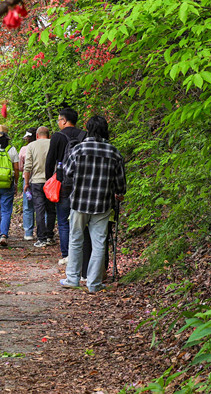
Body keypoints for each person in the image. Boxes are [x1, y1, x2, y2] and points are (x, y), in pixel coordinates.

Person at [60, 116, 126, 293]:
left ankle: (72, 278)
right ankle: (94, 283)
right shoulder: (114, 152)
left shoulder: (79, 149)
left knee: (76, 239)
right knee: (99, 243)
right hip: (102, 203)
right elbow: (120, 185)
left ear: (88, 129)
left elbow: (67, 172)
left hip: (79, 201)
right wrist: (118, 193)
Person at [45, 107, 87, 266]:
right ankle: (81, 254)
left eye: (58, 120)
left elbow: (50, 160)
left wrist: (49, 180)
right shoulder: (84, 135)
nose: (58, 123)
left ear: (63, 121)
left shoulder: (57, 136)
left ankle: (67, 255)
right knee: (81, 220)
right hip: (82, 183)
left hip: (63, 182)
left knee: (63, 221)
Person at [23, 126, 56, 247]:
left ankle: (41, 238)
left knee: (39, 210)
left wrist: (27, 183)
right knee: (51, 209)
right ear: (49, 135)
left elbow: (27, 166)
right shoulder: (53, 144)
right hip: (51, 181)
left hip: (36, 181)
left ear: (37, 136)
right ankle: (50, 236)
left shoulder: (31, 146)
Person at [19, 128, 37, 241]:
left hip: (27, 180)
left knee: (28, 207)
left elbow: (21, 167)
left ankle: (29, 232)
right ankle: (44, 232)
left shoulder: (24, 149)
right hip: (42, 180)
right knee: (42, 206)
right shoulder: (44, 146)